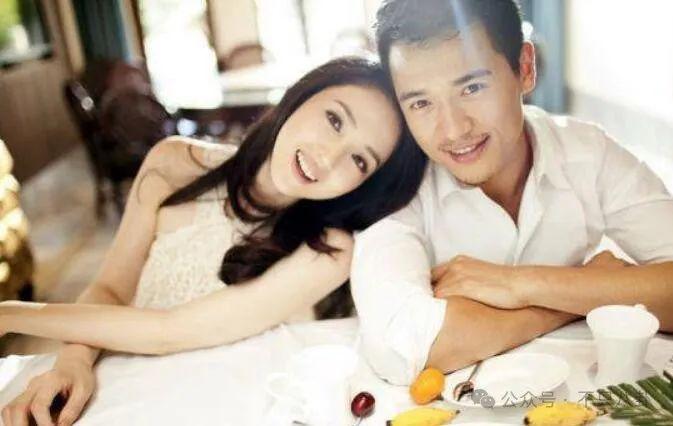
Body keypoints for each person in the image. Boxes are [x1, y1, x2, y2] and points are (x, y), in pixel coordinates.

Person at [0, 57, 427, 425]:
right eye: (334, 120)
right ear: (301, 96)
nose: (329, 157)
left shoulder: (327, 251)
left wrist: (11, 314)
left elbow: (170, 331)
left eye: (359, 160)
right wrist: (74, 360)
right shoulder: (172, 162)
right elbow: (111, 287)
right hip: (119, 387)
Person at [351, 0, 673, 385]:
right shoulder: (395, 189)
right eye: (421, 103)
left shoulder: (587, 153)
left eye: (472, 87)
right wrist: (575, 297)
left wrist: (520, 284)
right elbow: (401, 350)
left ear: (525, 68)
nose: (453, 130)